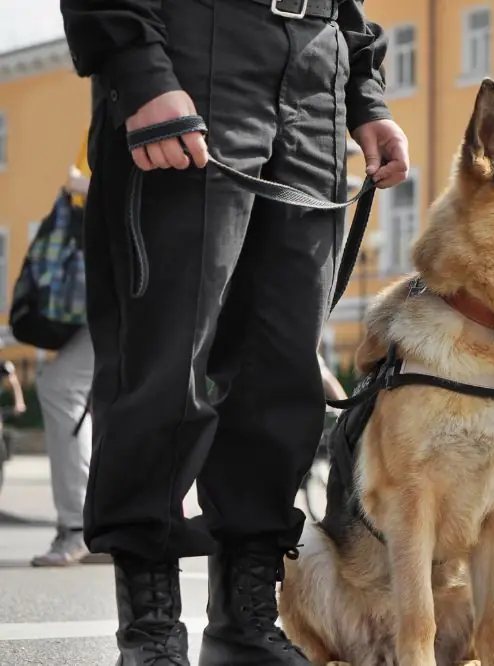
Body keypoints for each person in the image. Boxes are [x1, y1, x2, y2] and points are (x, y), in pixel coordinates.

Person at [59, 0, 409, 663]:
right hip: (192, 47)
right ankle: (152, 628)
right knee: (164, 363)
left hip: (316, 67)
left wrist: (365, 92)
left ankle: (244, 620)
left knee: (281, 373)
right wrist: (137, 67)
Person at [30, 163, 104, 568]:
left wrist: (82, 185)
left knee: (61, 385)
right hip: (130, 279)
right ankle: (110, 526)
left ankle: (80, 526)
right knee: (117, 397)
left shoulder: (139, 101)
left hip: (135, 281)